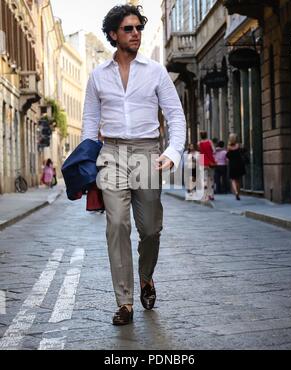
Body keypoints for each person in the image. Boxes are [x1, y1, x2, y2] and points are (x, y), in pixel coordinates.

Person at [81, 4, 186, 325]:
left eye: (138, 27)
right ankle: (124, 302)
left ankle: (145, 276)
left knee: (151, 228)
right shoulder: (98, 75)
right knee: (117, 225)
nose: (136, 33)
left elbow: (176, 114)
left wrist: (173, 151)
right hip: (111, 153)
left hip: (146, 154)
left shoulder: (155, 71)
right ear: (113, 35)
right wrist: (88, 162)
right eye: (128, 29)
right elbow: (89, 122)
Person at [226, 133, 246, 201]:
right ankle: (238, 192)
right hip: (239, 164)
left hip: (232, 164)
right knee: (238, 180)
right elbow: (244, 151)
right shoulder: (239, 145)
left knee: (233, 179)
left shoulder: (229, 147)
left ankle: (236, 192)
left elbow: (227, 156)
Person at [198, 131, 216, 201]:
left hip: (202, 161)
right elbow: (214, 151)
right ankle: (211, 194)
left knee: (204, 179)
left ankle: (205, 195)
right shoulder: (209, 142)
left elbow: (200, 152)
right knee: (211, 179)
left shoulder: (199, 143)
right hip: (210, 162)